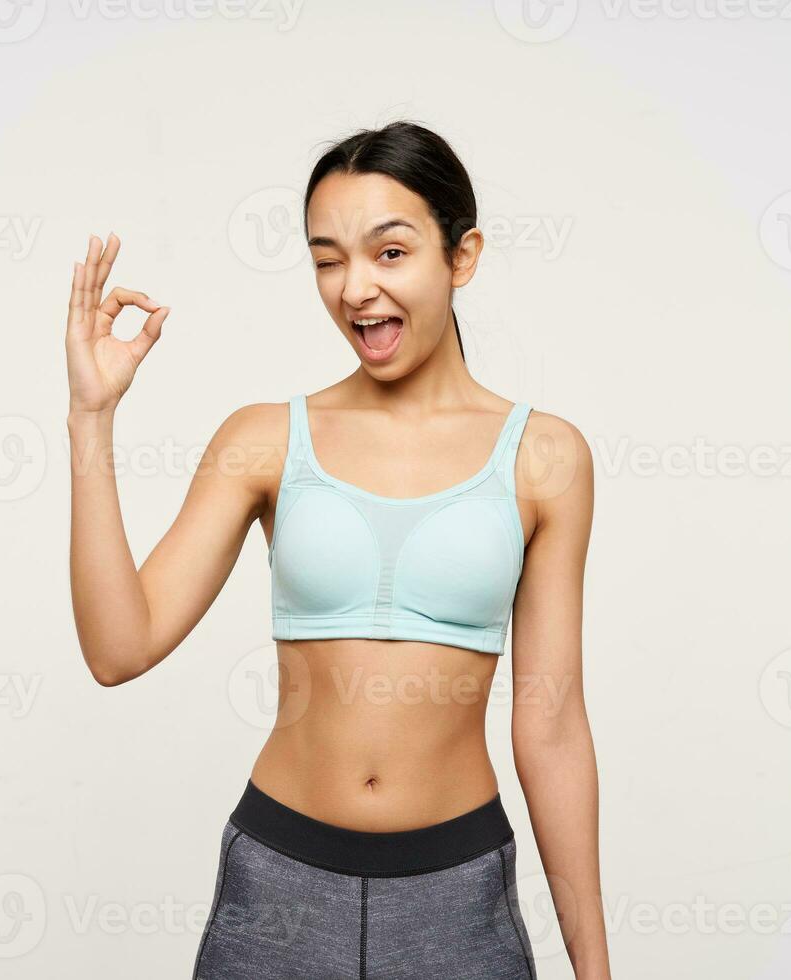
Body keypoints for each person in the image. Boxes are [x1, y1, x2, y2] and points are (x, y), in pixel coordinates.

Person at [64, 120, 609, 979]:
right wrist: (91, 418)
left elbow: (552, 727)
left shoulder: (547, 458)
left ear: (461, 256)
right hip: (275, 890)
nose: (356, 288)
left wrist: (596, 969)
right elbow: (116, 647)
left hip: (458, 900)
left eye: (389, 253)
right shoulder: (264, 440)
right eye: (327, 259)